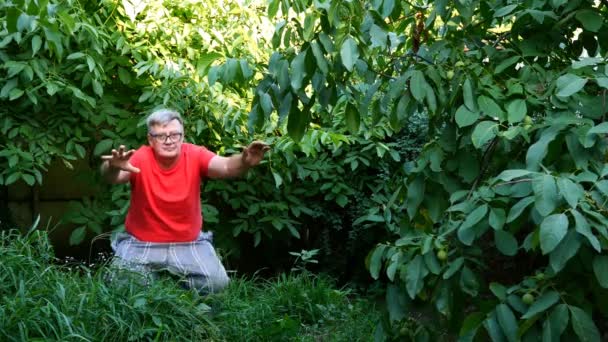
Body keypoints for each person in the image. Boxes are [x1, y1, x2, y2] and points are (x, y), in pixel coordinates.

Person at [100, 108, 269, 293]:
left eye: (174, 135)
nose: (169, 140)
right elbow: (112, 177)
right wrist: (111, 167)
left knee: (217, 284)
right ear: (150, 139)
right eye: (161, 136)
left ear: (182, 136)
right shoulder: (141, 156)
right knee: (122, 287)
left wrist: (244, 162)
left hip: (189, 242)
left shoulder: (195, 154)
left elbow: (227, 167)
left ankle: (189, 308)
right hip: (141, 242)